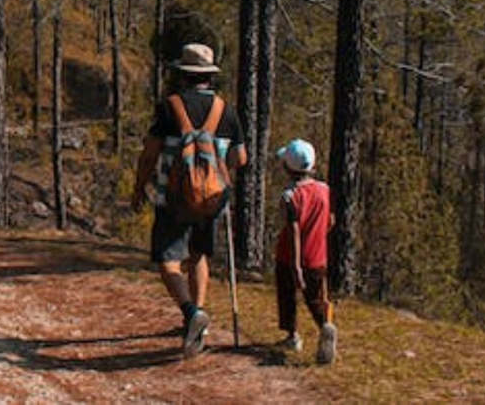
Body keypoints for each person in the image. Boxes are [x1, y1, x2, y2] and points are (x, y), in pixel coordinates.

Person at [131, 43, 247, 358]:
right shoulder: (225, 110)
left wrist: (139, 187)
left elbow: (149, 154)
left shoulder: (169, 107)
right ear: (209, 76)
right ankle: (200, 320)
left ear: (182, 74)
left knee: (168, 261)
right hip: (211, 199)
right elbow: (241, 157)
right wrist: (214, 170)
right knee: (199, 256)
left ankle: (190, 313)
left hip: (173, 197)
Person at [274, 138, 337, 364]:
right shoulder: (324, 190)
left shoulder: (290, 196)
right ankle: (325, 326)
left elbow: (293, 232)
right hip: (318, 256)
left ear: (287, 168)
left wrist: (296, 265)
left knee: (287, 296)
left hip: (290, 257)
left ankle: (292, 335)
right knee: (316, 298)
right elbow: (330, 221)